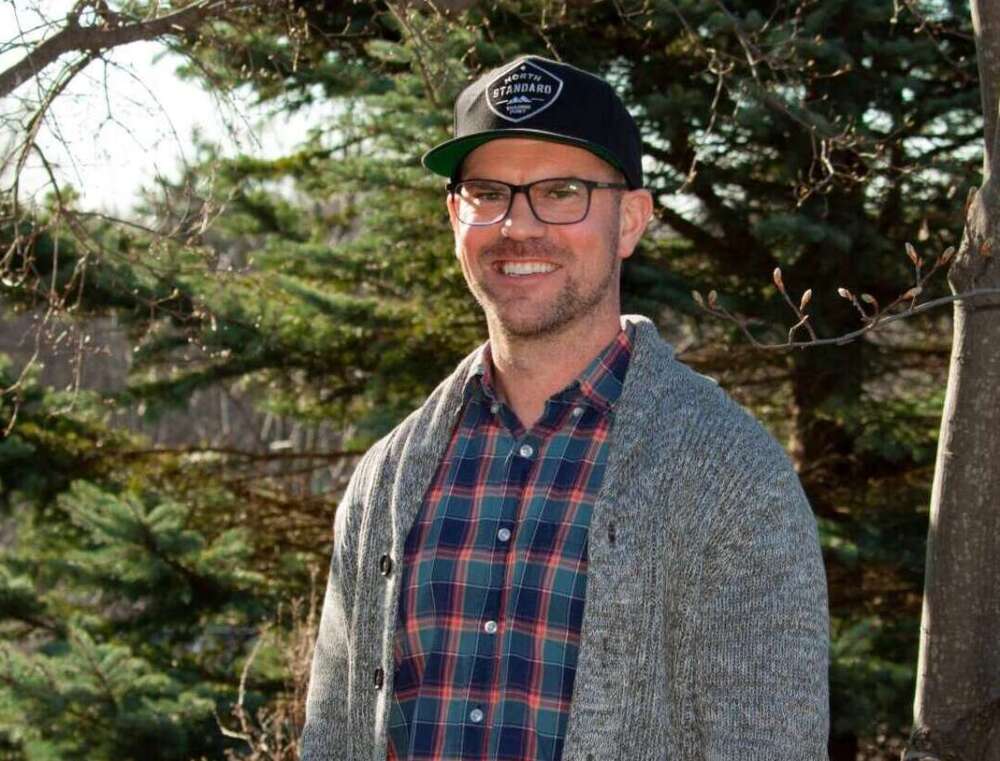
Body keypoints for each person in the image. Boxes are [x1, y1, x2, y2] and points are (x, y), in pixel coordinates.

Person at [301, 55, 830, 761]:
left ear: (631, 220)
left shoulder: (731, 477)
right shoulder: (386, 482)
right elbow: (333, 739)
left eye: (560, 191)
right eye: (487, 192)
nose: (518, 225)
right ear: (454, 216)